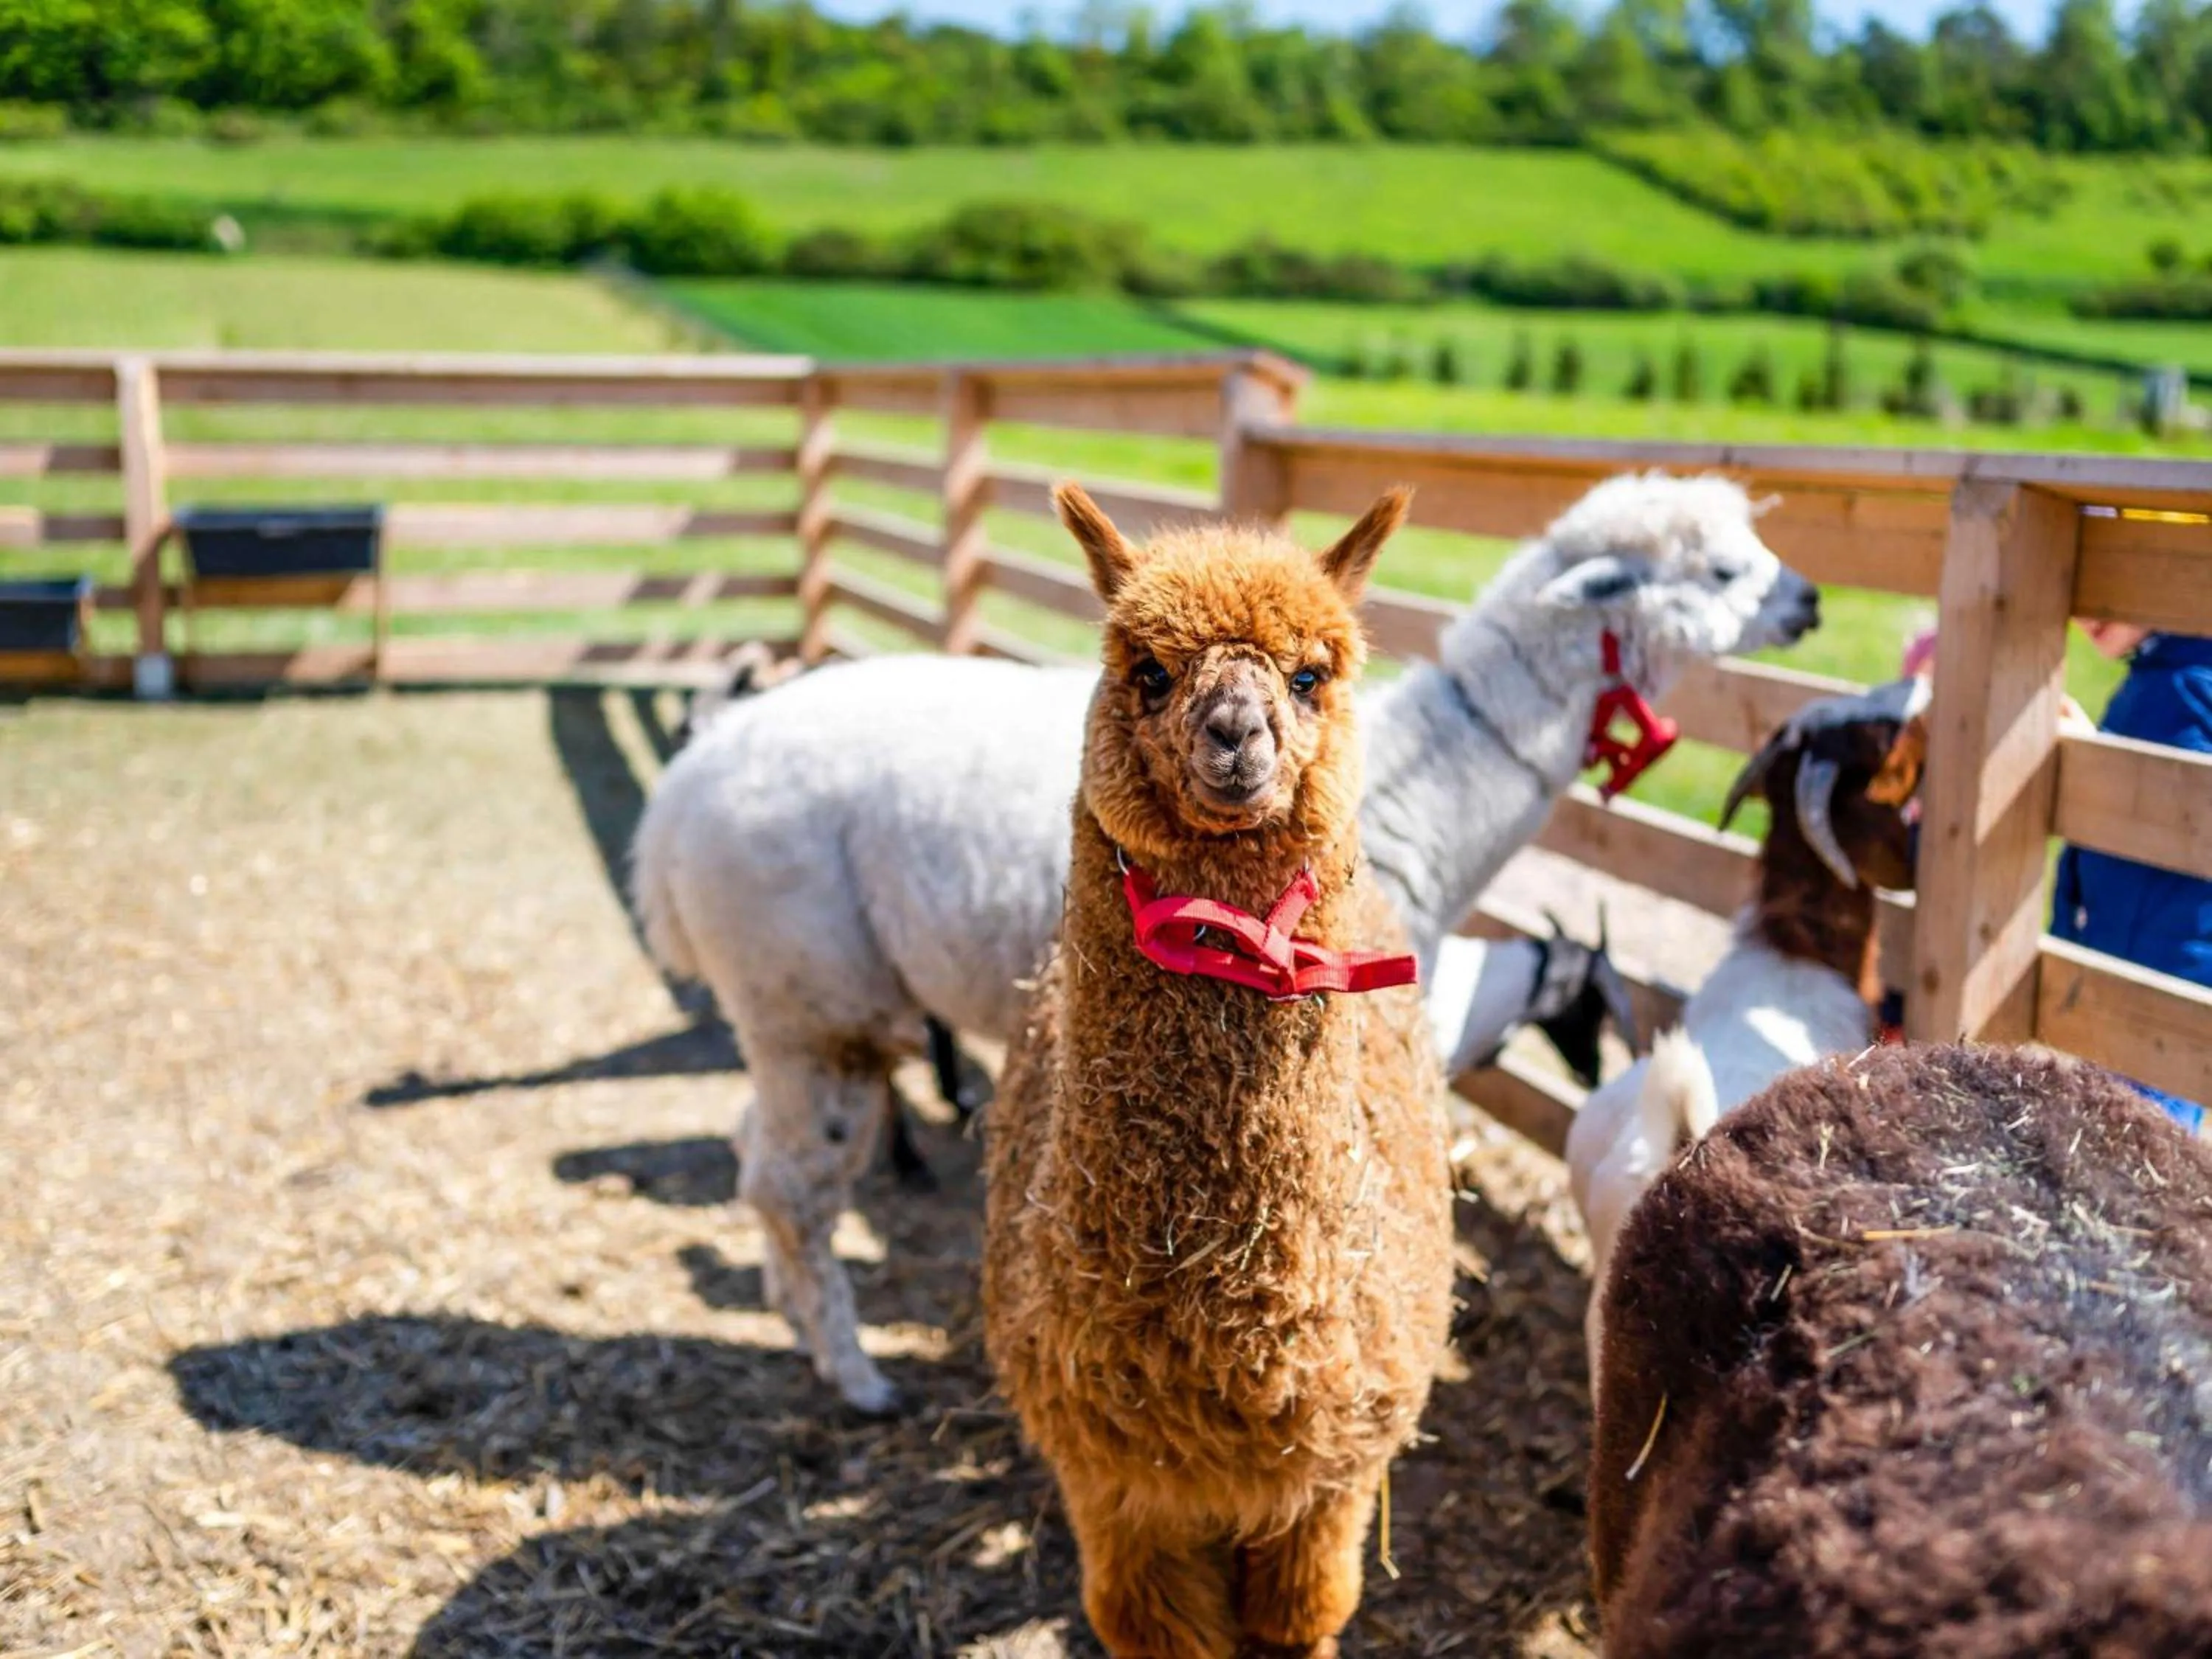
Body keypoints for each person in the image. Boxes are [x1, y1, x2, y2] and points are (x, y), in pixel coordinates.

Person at [1906, 619, 2209, 1134]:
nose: (2087, 614)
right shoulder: (2162, 675)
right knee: (2116, 1128)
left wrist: (2092, 770)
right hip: (2129, 958)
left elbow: (2184, 815)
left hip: (2168, 970)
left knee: (2141, 1139)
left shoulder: (2190, 684)